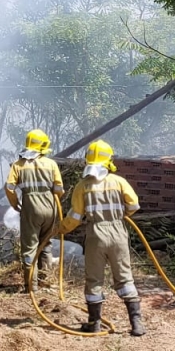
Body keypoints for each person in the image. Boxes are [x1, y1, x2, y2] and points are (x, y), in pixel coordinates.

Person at [60, 141, 144, 336]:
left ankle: (94, 323)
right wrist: (118, 216)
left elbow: (74, 217)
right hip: (118, 234)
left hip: (95, 234)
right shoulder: (119, 182)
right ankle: (136, 324)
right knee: (124, 278)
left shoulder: (83, 186)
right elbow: (134, 206)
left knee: (94, 280)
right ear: (109, 160)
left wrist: (60, 229)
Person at [5, 129, 65, 290]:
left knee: (30, 246)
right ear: (43, 146)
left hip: (30, 207)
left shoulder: (18, 165)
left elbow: (9, 188)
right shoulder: (51, 164)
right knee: (46, 244)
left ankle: (32, 286)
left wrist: (14, 203)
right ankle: (46, 280)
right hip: (50, 207)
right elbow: (59, 189)